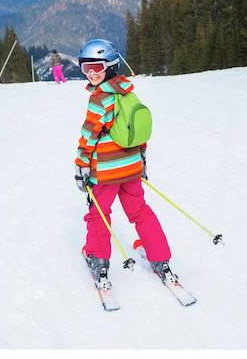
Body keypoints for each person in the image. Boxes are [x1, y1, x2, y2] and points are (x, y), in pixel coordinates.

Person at [75, 39, 176, 288]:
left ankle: (98, 261)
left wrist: (81, 164)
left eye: (96, 67)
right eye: (85, 68)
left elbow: (89, 134)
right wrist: (142, 160)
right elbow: (139, 132)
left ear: (110, 65)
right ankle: (160, 258)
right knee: (140, 211)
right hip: (131, 169)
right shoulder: (128, 93)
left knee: (99, 213)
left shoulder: (100, 99)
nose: (91, 74)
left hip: (106, 173)